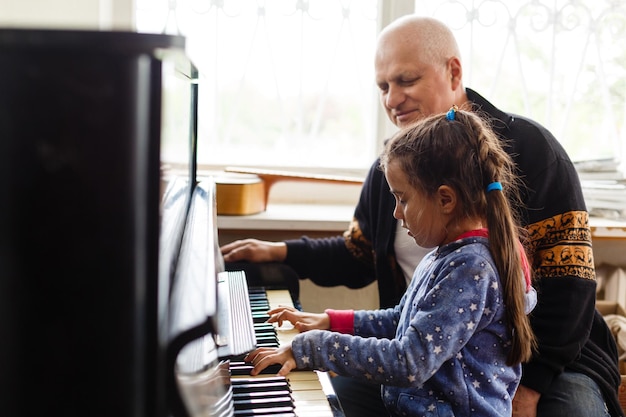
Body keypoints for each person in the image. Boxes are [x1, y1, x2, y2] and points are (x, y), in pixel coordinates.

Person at [221, 15, 624, 417]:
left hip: (552, 359)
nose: (392, 99)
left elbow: (571, 289)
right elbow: (358, 254)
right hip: (433, 357)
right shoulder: (397, 165)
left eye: (406, 81)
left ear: (453, 72)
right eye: (383, 86)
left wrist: (528, 391)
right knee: (326, 399)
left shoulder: (531, 152)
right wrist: (278, 253)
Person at [246, 107, 537, 417]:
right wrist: (332, 321)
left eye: (403, 199)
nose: (396, 213)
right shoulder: (450, 253)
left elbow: (409, 361)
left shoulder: (471, 268)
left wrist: (316, 348)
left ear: (445, 199)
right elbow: (403, 321)